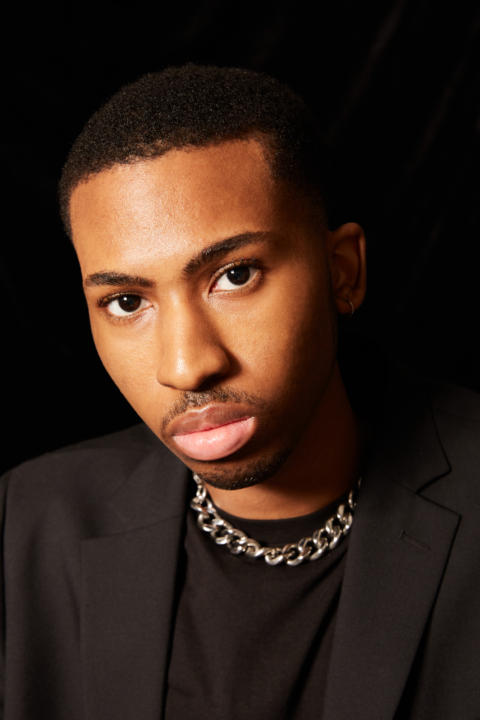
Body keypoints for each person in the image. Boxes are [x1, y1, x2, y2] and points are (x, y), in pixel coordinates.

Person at [1, 64, 479, 720]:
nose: (187, 366)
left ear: (343, 272)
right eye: (126, 302)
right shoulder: (26, 523)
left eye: (235, 275)